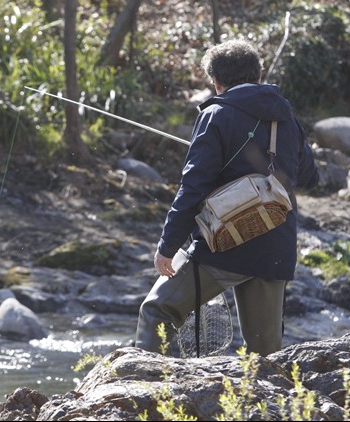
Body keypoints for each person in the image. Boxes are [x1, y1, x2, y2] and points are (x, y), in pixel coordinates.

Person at [135, 39, 319, 357]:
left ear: (217, 82)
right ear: (258, 75)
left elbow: (192, 188)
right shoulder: (287, 117)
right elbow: (310, 178)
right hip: (275, 245)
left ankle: (145, 393)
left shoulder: (216, 115)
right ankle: (268, 407)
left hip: (223, 246)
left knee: (157, 312)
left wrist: (167, 247)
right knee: (265, 355)